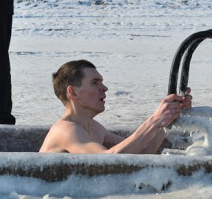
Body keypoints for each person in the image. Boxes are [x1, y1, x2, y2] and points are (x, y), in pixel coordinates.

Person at [39, 60, 193, 154]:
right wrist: (154, 120)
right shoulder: (66, 130)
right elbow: (109, 159)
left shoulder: (95, 128)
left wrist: (167, 119)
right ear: (73, 92)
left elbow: (141, 152)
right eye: (95, 83)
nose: (104, 88)